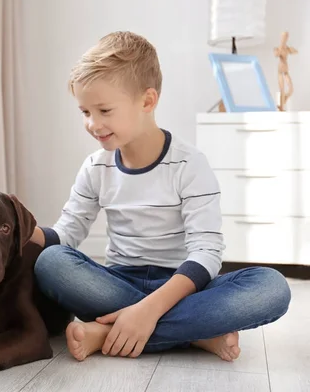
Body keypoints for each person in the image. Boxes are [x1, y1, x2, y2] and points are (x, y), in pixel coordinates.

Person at [30, 31, 291, 362]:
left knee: (272, 287)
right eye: (85, 112)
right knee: (51, 262)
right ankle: (194, 334)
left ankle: (112, 333)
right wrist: (25, 231)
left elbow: (207, 253)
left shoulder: (190, 164)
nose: (93, 124)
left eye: (104, 110)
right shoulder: (96, 167)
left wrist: (151, 309)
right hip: (119, 281)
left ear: (148, 101)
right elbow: (67, 234)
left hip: (182, 284)